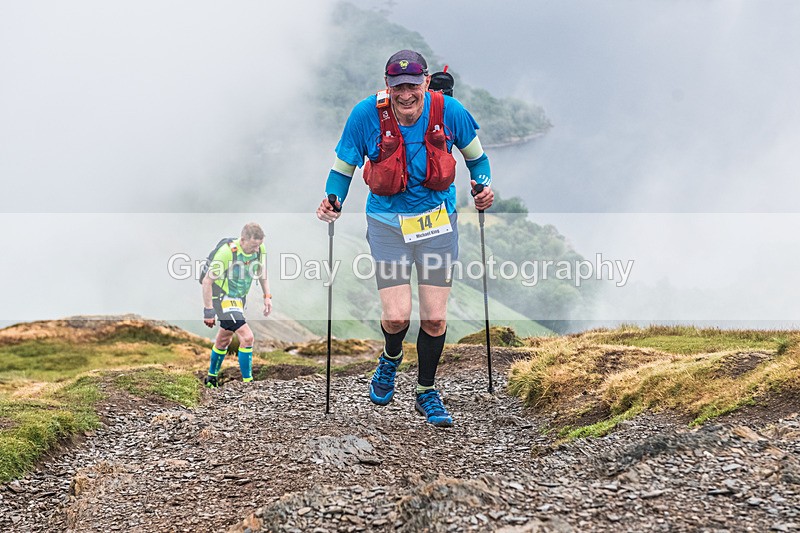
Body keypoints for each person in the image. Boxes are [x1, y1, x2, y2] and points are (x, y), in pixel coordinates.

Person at [316, 50, 494, 427]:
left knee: (433, 318)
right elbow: (342, 170)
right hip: (388, 224)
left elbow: (477, 160)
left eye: (413, 85)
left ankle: (426, 391)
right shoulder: (366, 115)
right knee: (396, 317)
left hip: (436, 223)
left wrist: (483, 187)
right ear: (387, 86)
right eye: (398, 87)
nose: (406, 94)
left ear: (426, 83)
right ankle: (391, 357)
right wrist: (333, 200)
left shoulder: (449, 112)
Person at [201, 222, 272, 387]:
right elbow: (207, 281)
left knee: (224, 338)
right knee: (247, 337)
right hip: (222, 298)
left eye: (259, 245)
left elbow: (261, 272)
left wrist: (267, 296)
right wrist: (208, 310)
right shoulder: (226, 253)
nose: (256, 250)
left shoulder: (260, 248)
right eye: (253, 246)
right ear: (243, 239)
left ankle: (211, 379)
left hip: (239, 298)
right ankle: (248, 383)